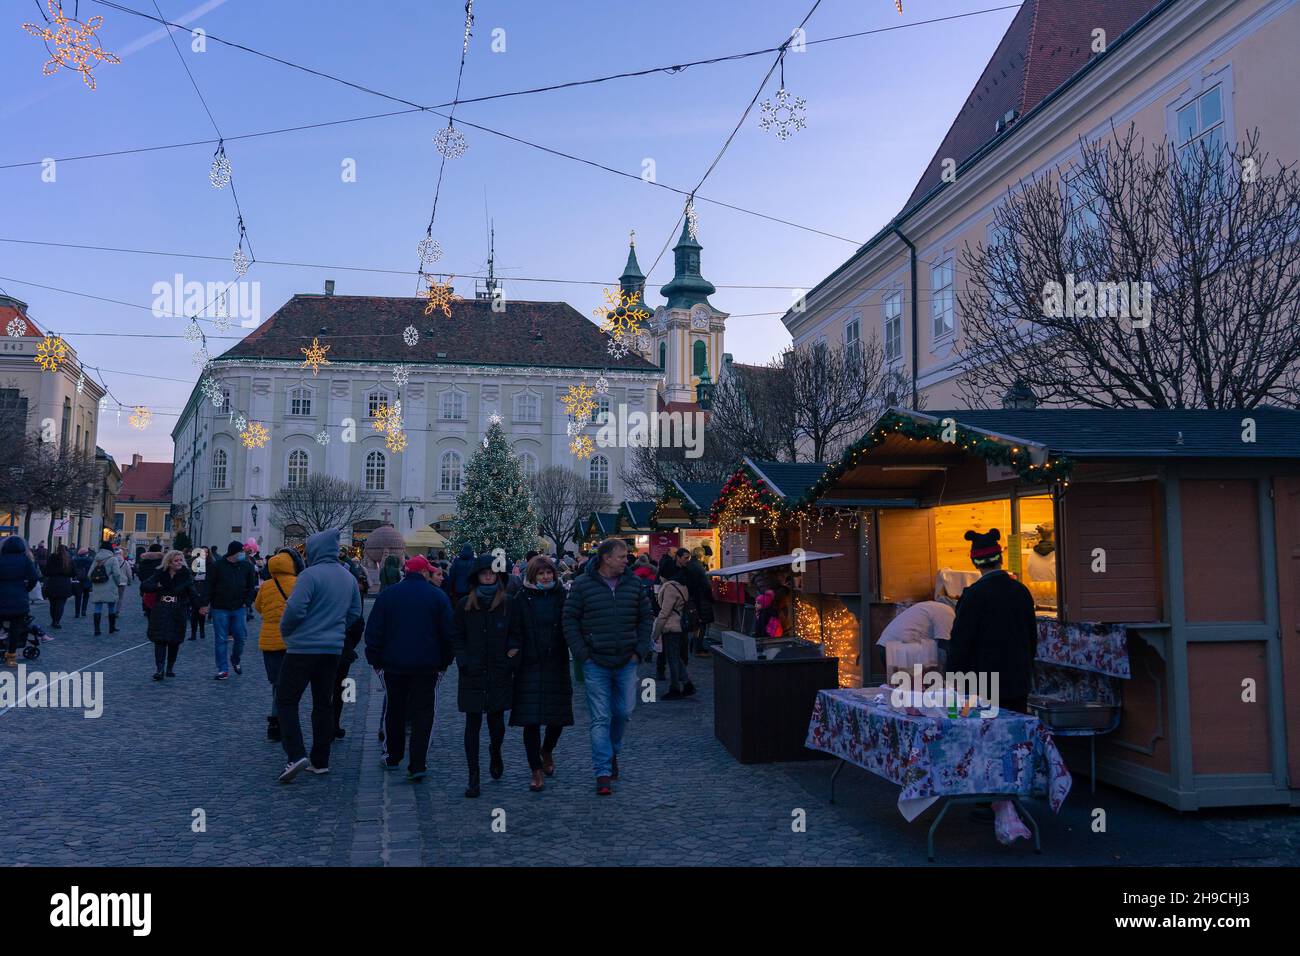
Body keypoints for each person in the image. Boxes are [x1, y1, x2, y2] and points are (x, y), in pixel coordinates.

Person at [945, 527, 1037, 845]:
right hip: (1017, 678)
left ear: (977, 563)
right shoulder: (1021, 592)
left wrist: (953, 678)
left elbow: (961, 642)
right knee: (1012, 740)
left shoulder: (973, 596)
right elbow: (1031, 636)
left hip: (982, 682)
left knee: (984, 740)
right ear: (1000, 559)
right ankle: (1011, 796)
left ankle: (988, 799)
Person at [562, 537, 652, 796]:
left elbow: (646, 617)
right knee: (600, 718)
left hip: (626, 660)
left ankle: (612, 751)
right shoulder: (582, 585)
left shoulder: (633, 583)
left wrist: (639, 650)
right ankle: (602, 771)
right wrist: (582, 654)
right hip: (595, 662)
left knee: (622, 712)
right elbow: (569, 619)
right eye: (622, 556)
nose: (627, 560)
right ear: (606, 558)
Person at [275, 529, 362, 783]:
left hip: (302, 648)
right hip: (332, 649)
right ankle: (320, 761)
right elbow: (355, 612)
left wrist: (287, 631)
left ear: (314, 550)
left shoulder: (309, 575)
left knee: (286, 700)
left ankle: (296, 753)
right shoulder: (347, 577)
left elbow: (294, 610)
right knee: (323, 703)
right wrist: (336, 628)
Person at [365, 555, 454, 781]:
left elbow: (374, 629)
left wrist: (375, 659)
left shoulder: (388, 595)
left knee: (394, 709)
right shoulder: (438, 597)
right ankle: (418, 763)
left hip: (394, 665)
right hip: (427, 666)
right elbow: (448, 635)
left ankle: (393, 755)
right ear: (424, 573)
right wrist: (444, 662)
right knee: (424, 713)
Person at [451, 554, 516, 798]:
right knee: (472, 725)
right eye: (483, 573)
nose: (488, 576)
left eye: (492, 572)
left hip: (499, 670)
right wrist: (463, 659)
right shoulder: (465, 605)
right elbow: (456, 635)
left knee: (496, 724)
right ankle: (473, 775)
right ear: (476, 576)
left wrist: (511, 656)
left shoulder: (508, 603)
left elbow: (516, 633)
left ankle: (496, 751)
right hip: (473, 671)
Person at [508, 556, 573, 792]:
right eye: (541, 573)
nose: (546, 577)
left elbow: (569, 624)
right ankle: (535, 770)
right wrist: (513, 651)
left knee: (557, 717)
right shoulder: (521, 599)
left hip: (556, 662)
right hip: (529, 664)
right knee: (531, 720)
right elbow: (514, 628)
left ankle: (547, 750)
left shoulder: (561, 596)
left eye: (549, 573)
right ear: (532, 575)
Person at [253, 549, 300, 742]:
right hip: (292, 639)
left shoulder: (266, 586)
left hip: (270, 639)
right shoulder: (298, 584)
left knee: (276, 682)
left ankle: (274, 721)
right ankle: (285, 719)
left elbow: (257, 607)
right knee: (290, 683)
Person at [142, 550, 202, 680]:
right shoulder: (160, 573)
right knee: (160, 640)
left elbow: (193, 594)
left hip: (177, 610)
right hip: (161, 610)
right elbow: (145, 585)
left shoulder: (186, 576)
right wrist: (156, 586)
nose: (179, 563)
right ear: (169, 563)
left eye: (181, 560)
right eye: (176, 560)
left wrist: (201, 606)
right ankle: (159, 669)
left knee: (174, 641)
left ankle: (170, 667)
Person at [204, 540, 259, 680]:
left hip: (239, 607)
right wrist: (205, 604)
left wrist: (247, 602)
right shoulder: (217, 566)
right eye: (241, 551)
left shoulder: (247, 566)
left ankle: (235, 658)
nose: (243, 553)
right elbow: (209, 585)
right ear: (233, 553)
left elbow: (252, 586)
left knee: (240, 637)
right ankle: (223, 669)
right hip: (220, 607)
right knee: (221, 639)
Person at [652, 568, 695, 700]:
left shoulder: (670, 588)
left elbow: (665, 612)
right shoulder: (683, 586)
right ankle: (687, 684)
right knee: (676, 657)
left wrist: (656, 632)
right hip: (679, 626)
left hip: (671, 627)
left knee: (673, 658)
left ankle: (675, 687)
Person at [0, 537, 39, 667]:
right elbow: (34, 578)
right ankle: (11, 656)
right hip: (19, 598)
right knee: (15, 629)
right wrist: (26, 589)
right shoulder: (25, 560)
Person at [89, 542, 128, 635]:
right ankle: (111, 628)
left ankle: (97, 630)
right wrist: (118, 582)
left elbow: (89, 574)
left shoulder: (96, 559)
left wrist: (95, 581)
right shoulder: (113, 559)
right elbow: (117, 574)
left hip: (98, 586)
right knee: (111, 607)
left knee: (98, 607)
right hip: (110, 586)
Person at [42, 545, 75, 630]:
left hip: (52, 583)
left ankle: (53, 620)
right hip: (64, 583)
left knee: (52, 604)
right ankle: (57, 621)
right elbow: (73, 572)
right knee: (60, 604)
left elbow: (45, 571)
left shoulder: (52, 558)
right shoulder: (68, 559)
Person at [136, 545, 164, 618]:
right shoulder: (161, 560)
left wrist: (142, 579)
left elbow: (139, 571)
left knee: (145, 594)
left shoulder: (143, 560)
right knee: (157, 595)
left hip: (145, 581)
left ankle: (146, 609)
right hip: (157, 581)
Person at [188, 548, 210, 641]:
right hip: (195, 588)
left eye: (206, 552)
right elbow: (190, 574)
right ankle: (193, 633)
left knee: (202, 612)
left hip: (205, 588)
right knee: (194, 612)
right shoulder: (195, 562)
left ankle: (202, 630)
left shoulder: (211, 564)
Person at [72, 547, 93, 618]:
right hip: (86, 579)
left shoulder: (75, 560)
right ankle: (84, 611)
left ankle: (77, 613)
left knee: (78, 597)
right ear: (86, 553)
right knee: (86, 596)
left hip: (78, 580)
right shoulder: (90, 560)